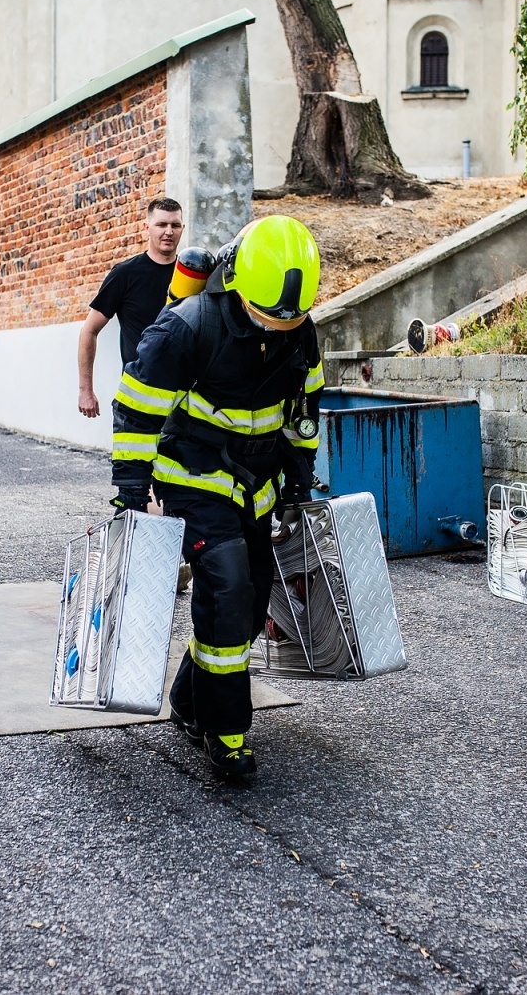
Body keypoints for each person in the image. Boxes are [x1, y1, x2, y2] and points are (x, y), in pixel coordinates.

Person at [110, 215, 325, 780]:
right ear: (236, 285)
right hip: (196, 477)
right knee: (228, 590)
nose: (280, 328)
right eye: (267, 318)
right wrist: (130, 492)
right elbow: (137, 409)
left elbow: (305, 411)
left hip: (258, 486)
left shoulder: (299, 329)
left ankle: (188, 699)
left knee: (249, 608)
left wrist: (299, 480)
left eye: (291, 320)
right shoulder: (187, 327)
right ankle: (227, 736)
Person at [76, 197, 183, 418]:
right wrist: (85, 391)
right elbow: (89, 330)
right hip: (138, 394)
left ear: (183, 228)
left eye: (175, 225)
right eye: (161, 225)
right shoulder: (125, 274)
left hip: (184, 396)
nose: (169, 232)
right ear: (147, 228)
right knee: (133, 454)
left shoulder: (192, 275)